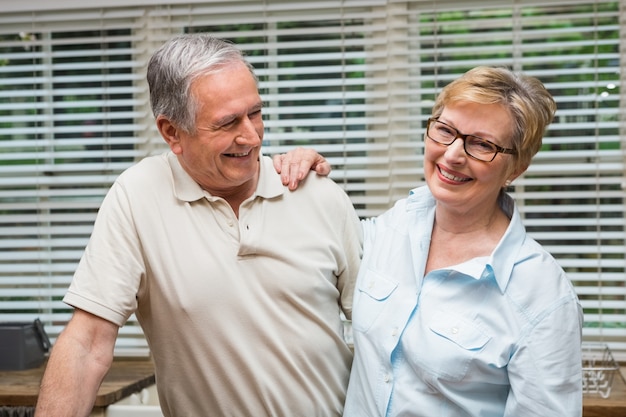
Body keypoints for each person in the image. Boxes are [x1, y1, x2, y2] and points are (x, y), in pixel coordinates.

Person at [35, 34, 362, 417]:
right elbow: (87, 343)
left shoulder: (316, 193)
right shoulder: (139, 196)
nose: (252, 136)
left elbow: (383, 330)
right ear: (172, 132)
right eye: (227, 123)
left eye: (254, 113)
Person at [275, 66, 583, 416]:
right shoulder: (394, 226)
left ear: (516, 169)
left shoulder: (543, 296)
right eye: (445, 130)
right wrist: (302, 173)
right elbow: (319, 244)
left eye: (482, 144)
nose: (452, 154)